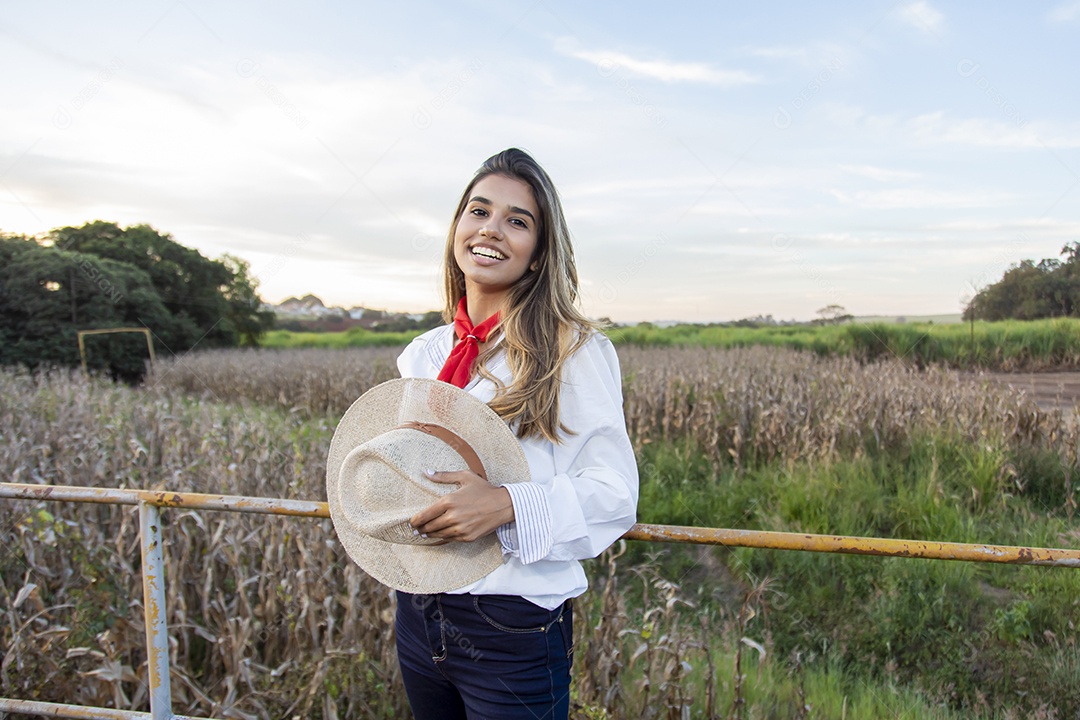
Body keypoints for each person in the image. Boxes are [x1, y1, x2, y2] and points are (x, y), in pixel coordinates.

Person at [395, 148, 639, 718]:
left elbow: (615, 493)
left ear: (538, 254)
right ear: (457, 227)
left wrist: (506, 504)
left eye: (517, 220)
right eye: (479, 211)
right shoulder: (424, 353)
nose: (491, 230)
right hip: (417, 609)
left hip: (511, 623)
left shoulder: (573, 351)